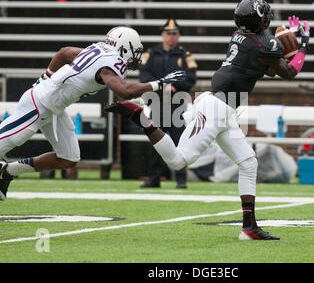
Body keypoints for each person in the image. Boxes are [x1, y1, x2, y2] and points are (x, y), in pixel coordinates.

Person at [105, 0, 311, 240]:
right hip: (215, 109)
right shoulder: (264, 44)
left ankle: (248, 227)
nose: (268, 18)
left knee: (248, 162)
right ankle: (140, 117)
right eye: (264, 15)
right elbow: (288, 73)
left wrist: (284, 44)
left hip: (220, 107)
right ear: (259, 19)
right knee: (178, 161)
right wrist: (303, 46)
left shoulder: (241, 37)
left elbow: (268, 66)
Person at [0, 26, 185, 200]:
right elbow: (125, 90)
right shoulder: (112, 61)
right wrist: (158, 84)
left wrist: (46, 76)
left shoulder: (99, 49)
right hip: (38, 103)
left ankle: (8, 171)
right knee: (7, 141)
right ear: (124, 47)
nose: (136, 56)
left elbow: (64, 52)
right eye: (135, 50)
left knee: (68, 158)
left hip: (54, 107)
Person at [138, 19, 197, 189]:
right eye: (168, 33)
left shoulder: (184, 55)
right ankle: (154, 178)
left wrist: (176, 86)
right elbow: (143, 76)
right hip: (157, 102)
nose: (171, 37)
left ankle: (181, 179)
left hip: (176, 104)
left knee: (180, 142)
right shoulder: (152, 53)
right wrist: (161, 85)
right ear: (163, 34)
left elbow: (191, 77)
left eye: (174, 33)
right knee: (156, 142)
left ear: (178, 36)